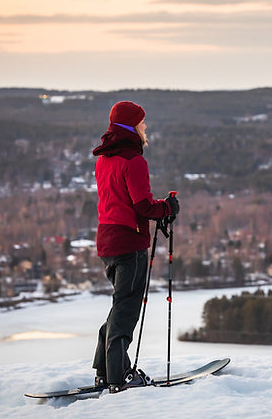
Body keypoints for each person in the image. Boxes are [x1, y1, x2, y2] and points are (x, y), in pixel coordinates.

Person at [91, 101, 179, 393]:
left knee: (119, 306)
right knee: (126, 310)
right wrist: (167, 207)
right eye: (142, 123)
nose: (145, 127)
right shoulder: (133, 161)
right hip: (129, 242)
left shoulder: (104, 159)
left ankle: (104, 372)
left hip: (108, 241)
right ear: (131, 127)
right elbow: (142, 206)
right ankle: (119, 377)